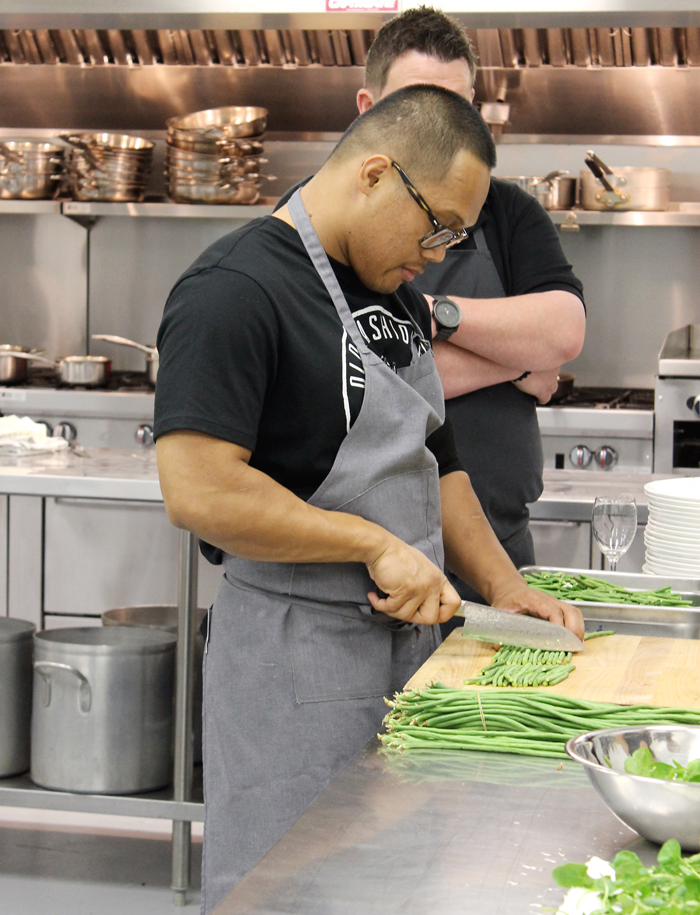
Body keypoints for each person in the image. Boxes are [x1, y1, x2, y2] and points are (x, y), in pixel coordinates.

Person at [154, 85, 584, 913]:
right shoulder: (233, 290)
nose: (440, 251)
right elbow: (199, 489)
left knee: (395, 885)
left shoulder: (387, 292)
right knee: (287, 888)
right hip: (296, 658)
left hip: (407, 648)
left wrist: (504, 588)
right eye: (437, 226)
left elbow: (435, 457)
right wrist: (369, 542)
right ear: (377, 174)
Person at [355, 8, 587, 611]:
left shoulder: (508, 212)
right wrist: (515, 364)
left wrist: (432, 318)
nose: (437, 130)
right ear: (365, 108)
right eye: (414, 105)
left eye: (455, 107)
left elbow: (563, 330)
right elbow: (369, 379)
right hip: (374, 572)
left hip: (502, 560)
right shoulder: (329, 223)